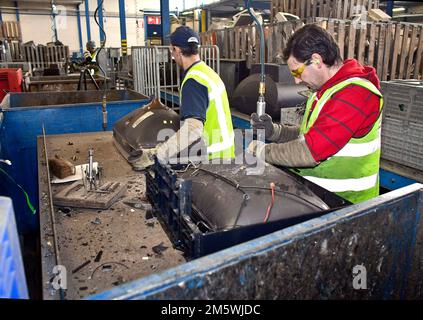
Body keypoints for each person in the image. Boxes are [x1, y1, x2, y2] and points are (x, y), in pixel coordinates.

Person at [249, 24, 383, 204]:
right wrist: (275, 132)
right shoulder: (323, 90)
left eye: (297, 71)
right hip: (318, 196)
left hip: (347, 205)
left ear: (317, 60)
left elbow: (310, 151)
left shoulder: (355, 94)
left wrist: (261, 151)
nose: (296, 80)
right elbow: (310, 133)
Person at [134, 26, 235, 169]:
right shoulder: (207, 72)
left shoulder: (193, 81)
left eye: (171, 50)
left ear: (177, 50)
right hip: (225, 154)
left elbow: (193, 129)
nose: (172, 55)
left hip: (212, 161)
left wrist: (157, 154)